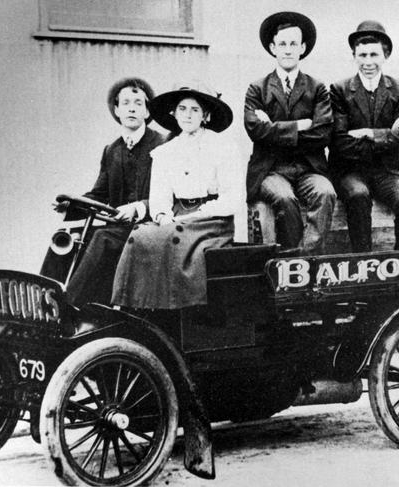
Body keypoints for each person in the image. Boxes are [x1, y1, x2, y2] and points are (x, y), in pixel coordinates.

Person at [112, 81, 243, 309]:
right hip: (176, 216)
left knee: (175, 240)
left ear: (206, 115)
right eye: (182, 109)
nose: (188, 115)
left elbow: (233, 197)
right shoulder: (165, 152)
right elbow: (160, 197)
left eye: (195, 110)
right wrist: (163, 217)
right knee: (140, 236)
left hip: (212, 220)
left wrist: (199, 214)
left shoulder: (223, 147)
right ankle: (133, 308)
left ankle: (177, 310)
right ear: (174, 113)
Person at [60, 77, 166, 308]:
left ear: (147, 112)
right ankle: (65, 301)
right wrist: (71, 205)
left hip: (153, 227)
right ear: (116, 110)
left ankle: (66, 305)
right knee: (73, 237)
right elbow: (99, 193)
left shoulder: (162, 145)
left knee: (102, 238)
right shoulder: (112, 150)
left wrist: (140, 207)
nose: (132, 108)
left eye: (139, 103)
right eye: (126, 102)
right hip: (121, 228)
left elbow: (171, 195)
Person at [245, 11, 336, 252]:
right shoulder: (257, 89)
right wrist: (300, 125)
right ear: (273, 48)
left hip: (308, 167)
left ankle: (306, 257)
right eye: (282, 44)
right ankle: (289, 259)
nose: (287, 49)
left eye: (293, 44)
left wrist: (274, 130)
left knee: (325, 193)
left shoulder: (317, 88)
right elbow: (255, 130)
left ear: (303, 48)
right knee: (284, 199)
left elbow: (322, 134)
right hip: (271, 169)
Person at [329, 20, 399, 252]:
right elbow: (340, 141)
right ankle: (363, 262)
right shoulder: (339, 90)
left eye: (374, 54)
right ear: (354, 56)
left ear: (385, 55)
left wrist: (369, 133)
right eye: (362, 55)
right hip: (351, 171)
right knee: (358, 196)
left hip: (388, 171)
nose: (368, 62)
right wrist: (389, 136)